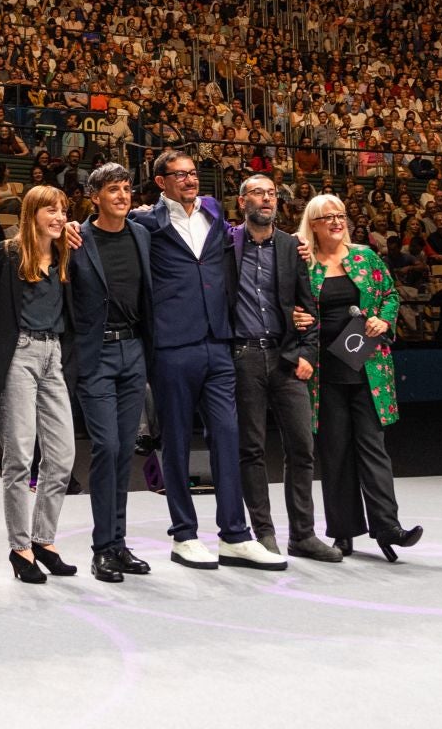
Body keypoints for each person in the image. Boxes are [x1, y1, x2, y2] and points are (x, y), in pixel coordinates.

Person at [66, 149, 284, 570]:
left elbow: (247, 238)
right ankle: (184, 534)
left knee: (227, 435)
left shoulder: (215, 212)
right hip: (171, 345)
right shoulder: (146, 222)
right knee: (177, 443)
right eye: (178, 174)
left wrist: (297, 246)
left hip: (218, 342)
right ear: (161, 182)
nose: (189, 180)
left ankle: (234, 535)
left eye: (192, 173)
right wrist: (73, 227)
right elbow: (104, 229)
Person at [294, 194, 422, 561]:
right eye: (327, 217)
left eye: (341, 215)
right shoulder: (304, 263)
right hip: (324, 371)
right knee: (335, 453)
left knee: (373, 449)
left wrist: (383, 320)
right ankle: (344, 532)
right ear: (313, 224)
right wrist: (294, 317)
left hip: (367, 367)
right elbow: (291, 303)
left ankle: (388, 526)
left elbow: (390, 296)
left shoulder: (365, 257)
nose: (337, 222)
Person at [228, 174, 335, 562]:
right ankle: (264, 533)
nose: (266, 199)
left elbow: (309, 305)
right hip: (243, 358)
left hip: (287, 357)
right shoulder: (225, 243)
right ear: (242, 202)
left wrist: (308, 353)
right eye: (257, 192)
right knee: (251, 449)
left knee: (302, 448)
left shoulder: (292, 247)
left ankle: (303, 535)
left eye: (272, 193)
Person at [66, 163, 154, 582]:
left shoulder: (141, 233)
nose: (122, 195)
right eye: (113, 190)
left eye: (126, 189)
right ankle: (103, 548)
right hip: (96, 355)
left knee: (124, 451)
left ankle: (118, 545)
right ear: (94, 196)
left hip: (134, 351)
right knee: (105, 447)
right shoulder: (75, 238)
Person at [0, 184, 79, 583]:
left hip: (54, 355)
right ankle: (20, 547)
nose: (59, 217)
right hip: (18, 356)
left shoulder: (65, 254)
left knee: (61, 457)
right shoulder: (5, 254)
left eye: (63, 210)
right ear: (32, 214)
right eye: (51, 211)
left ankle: (45, 540)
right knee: (20, 458)